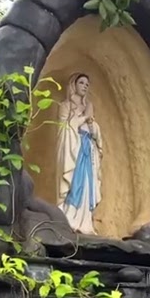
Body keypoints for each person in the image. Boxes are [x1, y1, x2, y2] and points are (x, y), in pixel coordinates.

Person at [56, 73, 102, 234]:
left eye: (87, 84)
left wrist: (92, 125)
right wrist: (84, 117)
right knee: (75, 183)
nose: (85, 86)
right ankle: (70, 218)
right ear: (74, 85)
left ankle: (85, 222)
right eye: (81, 82)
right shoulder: (66, 106)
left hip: (87, 150)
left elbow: (95, 133)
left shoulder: (88, 107)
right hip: (73, 151)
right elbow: (65, 129)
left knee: (88, 185)